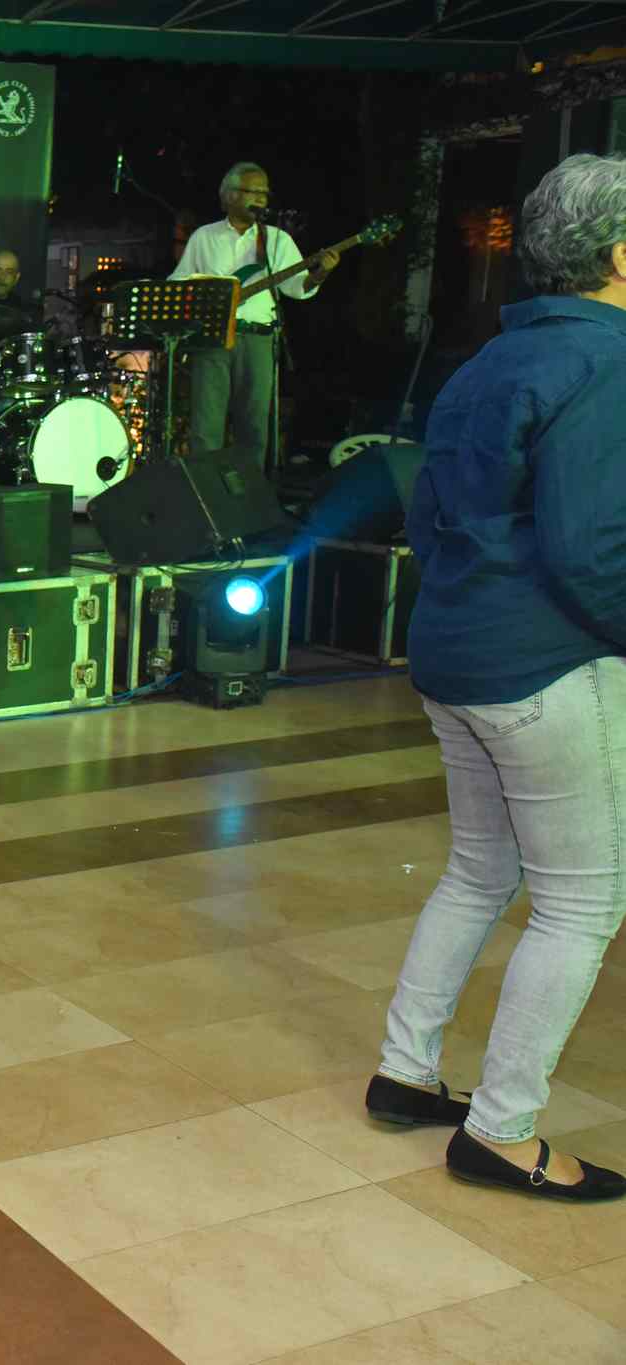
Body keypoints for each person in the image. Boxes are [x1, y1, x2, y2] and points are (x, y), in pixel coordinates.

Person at [362, 152, 626, 1203]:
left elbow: (427, 517)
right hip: (542, 662)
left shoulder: (487, 360)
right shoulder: (606, 360)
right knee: (581, 903)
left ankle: (405, 1071)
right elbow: (589, 548)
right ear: (619, 256)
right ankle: (500, 1131)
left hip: (454, 648)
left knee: (479, 871)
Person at [169, 161, 338, 460]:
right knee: (205, 427)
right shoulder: (204, 237)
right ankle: (203, 487)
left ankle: (249, 487)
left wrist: (320, 274)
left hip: (258, 339)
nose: (260, 198)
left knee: (254, 427)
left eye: (264, 192)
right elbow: (178, 283)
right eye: (252, 191)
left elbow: (298, 288)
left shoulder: (277, 239)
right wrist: (196, 301)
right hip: (212, 338)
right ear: (228, 195)